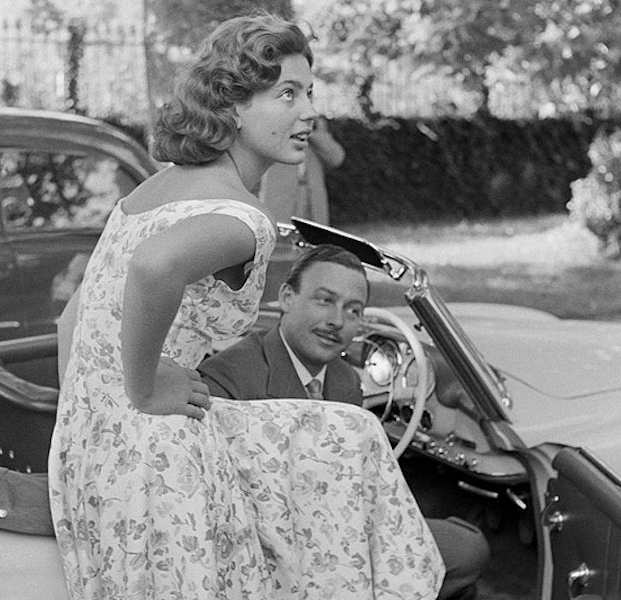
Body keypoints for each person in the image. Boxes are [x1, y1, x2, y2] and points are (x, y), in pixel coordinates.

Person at [49, 13, 444, 600]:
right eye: (287, 93)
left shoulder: (147, 193)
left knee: (350, 430)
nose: (308, 110)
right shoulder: (244, 219)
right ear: (233, 107)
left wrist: (97, 420)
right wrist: (142, 391)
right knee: (356, 443)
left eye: (309, 91)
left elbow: (69, 322)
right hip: (157, 452)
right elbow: (153, 269)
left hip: (87, 455)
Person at [198, 244, 490, 600]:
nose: (337, 320)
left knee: (469, 547)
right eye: (324, 300)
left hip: (344, 523)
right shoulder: (226, 379)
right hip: (273, 547)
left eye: (353, 310)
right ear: (287, 297)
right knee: (458, 563)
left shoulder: (344, 380)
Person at [260, 114, 345, 225]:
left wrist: (316, 134)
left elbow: (337, 158)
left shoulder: (314, 139)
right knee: (281, 238)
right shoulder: (275, 128)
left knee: (314, 239)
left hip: (311, 201)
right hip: (281, 202)